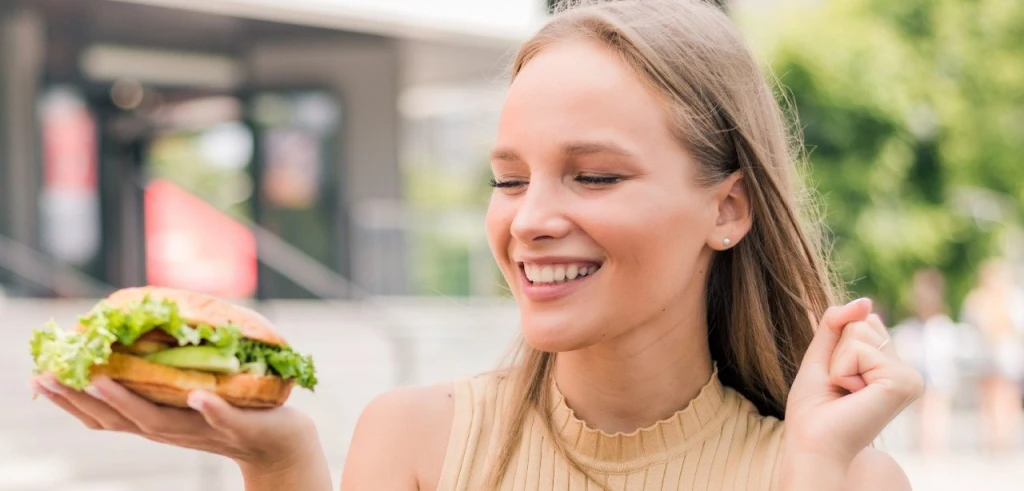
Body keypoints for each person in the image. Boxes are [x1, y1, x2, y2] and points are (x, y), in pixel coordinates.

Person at [29, 1, 923, 489]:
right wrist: (282, 461)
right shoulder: (418, 440)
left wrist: (810, 469)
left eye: (594, 175)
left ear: (728, 209)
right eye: (509, 177)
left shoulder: (842, 475)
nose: (529, 218)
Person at [890, 268, 963, 455]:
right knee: (922, 408)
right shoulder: (912, 327)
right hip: (920, 372)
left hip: (938, 374)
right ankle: (924, 444)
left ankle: (933, 446)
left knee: (936, 407)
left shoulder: (941, 325)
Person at [961, 258, 1024, 453]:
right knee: (989, 395)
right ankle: (992, 434)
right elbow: (970, 328)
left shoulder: (1012, 297)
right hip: (986, 354)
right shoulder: (978, 299)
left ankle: (1002, 435)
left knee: (1005, 395)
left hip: (1006, 355)